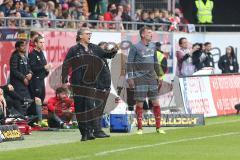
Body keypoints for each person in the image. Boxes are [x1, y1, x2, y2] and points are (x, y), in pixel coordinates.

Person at [62, 28, 118, 141]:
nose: (89, 35)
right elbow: (66, 64)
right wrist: (64, 80)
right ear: (80, 36)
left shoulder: (94, 48)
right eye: (87, 34)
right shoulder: (74, 49)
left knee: (90, 106)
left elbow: (107, 55)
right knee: (80, 108)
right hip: (77, 83)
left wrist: (114, 50)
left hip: (92, 83)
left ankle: (90, 130)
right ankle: (84, 133)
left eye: (90, 34)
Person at [126, 26, 165, 135]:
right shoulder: (135, 47)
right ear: (143, 34)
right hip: (140, 78)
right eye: (149, 33)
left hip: (152, 78)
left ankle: (158, 128)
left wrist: (159, 75)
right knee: (140, 103)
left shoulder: (153, 46)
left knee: (155, 102)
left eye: (151, 33)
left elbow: (155, 62)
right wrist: (130, 77)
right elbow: (129, 63)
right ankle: (140, 128)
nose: (151, 34)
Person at [28, 36, 51, 127]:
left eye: (43, 42)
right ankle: (37, 120)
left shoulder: (41, 53)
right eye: (40, 42)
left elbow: (43, 68)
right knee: (36, 99)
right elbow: (33, 68)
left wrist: (47, 71)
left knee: (41, 99)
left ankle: (37, 120)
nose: (42, 44)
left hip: (41, 80)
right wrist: (44, 68)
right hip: (35, 81)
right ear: (36, 43)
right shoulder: (32, 54)